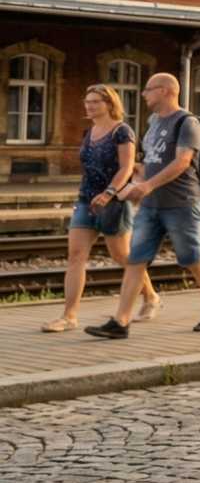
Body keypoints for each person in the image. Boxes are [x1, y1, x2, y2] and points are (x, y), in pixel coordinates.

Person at [85, 73, 200, 338]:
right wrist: (135, 179)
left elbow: (183, 161)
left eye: (148, 89)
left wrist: (148, 185)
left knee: (191, 259)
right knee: (136, 260)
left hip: (181, 204)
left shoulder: (187, 123)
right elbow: (152, 160)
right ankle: (120, 322)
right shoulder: (153, 122)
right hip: (150, 206)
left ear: (165, 91)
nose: (143, 94)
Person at [43, 83, 161, 332]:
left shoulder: (122, 131)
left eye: (95, 101)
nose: (89, 105)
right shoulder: (90, 131)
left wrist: (109, 193)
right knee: (76, 256)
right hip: (86, 200)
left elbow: (126, 167)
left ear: (109, 104)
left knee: (122, 256)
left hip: (114, 202)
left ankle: (150, 296)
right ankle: (69, 316)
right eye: (88, 101)